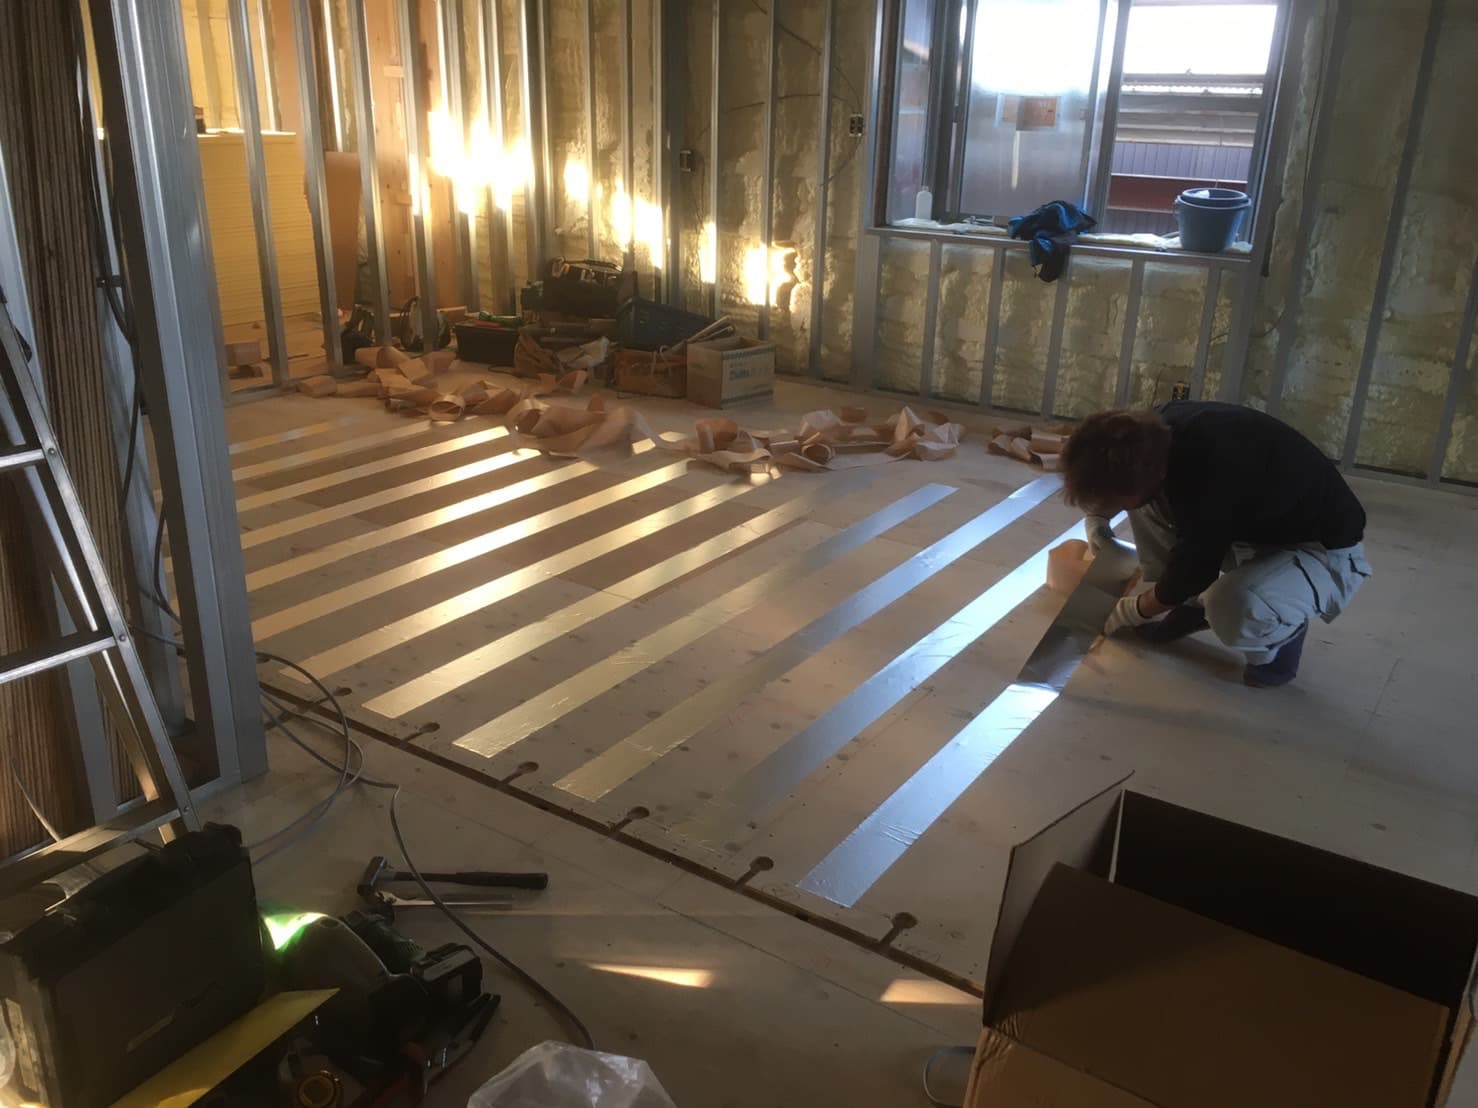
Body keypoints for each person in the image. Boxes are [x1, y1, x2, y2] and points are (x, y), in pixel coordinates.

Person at [1059, 401, 1372, 687]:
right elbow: (1120, 481)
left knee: (1231, 603)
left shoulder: (1212, 475)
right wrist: (1097, 519)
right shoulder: (1146, 434)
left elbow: (1194, 570)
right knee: (1145, 502)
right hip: (1256, 524)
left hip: (1321, 550)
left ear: (1159, 472)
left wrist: (1131, 611)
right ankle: (1189, 607)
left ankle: (1279, 641)